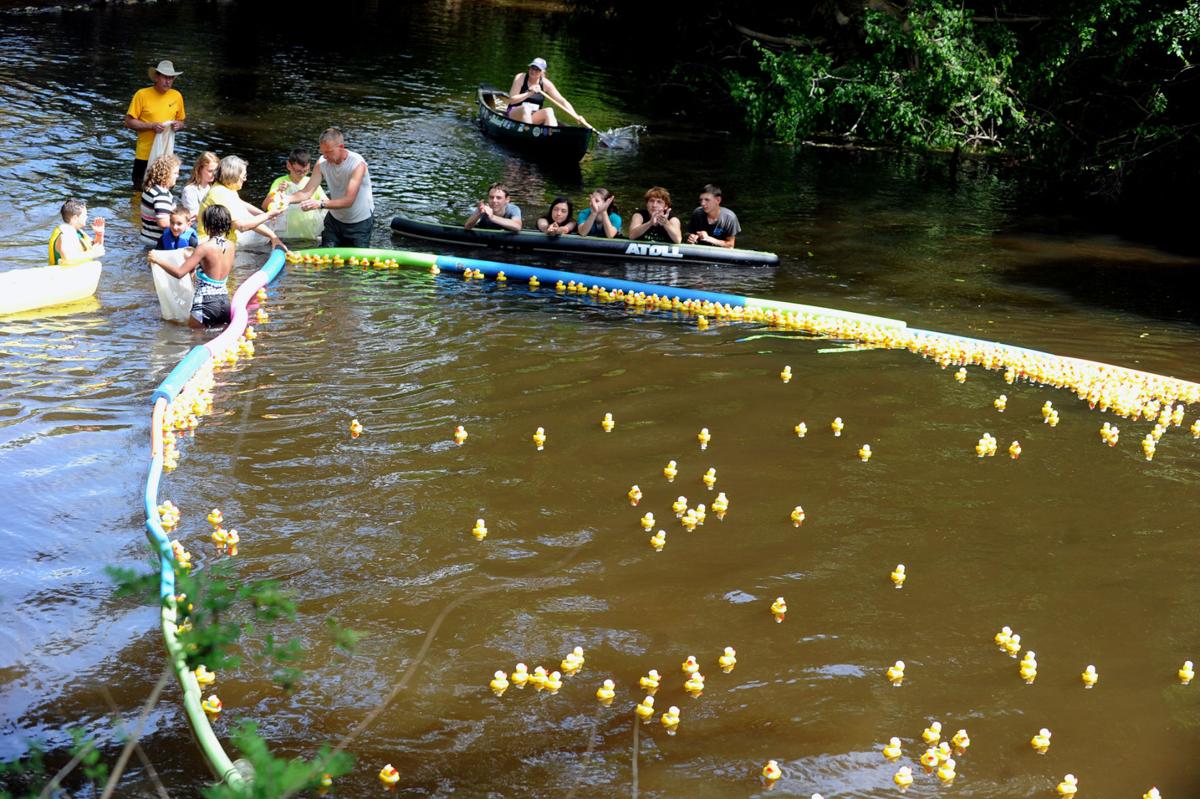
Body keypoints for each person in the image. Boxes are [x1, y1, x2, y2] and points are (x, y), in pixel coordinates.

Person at [148, 205, 235, 329]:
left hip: (205, 304)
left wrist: (157, 260)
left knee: (194, 342)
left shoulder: (204, 248)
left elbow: (179, 273)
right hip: (225, 303)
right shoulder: (231, 246)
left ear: (207, 224)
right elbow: (212, 272)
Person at [289, 128, 375, 248]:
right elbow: (306, 192)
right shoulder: (322, 163)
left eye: (328, 152)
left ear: (341, 146)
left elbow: (348, 201)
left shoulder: (357, 164)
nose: (324, 156)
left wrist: (320, 204)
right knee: (324, 260)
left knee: (355, 265)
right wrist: (285, 199)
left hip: (359, 224)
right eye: (322, 152)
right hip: (334, 222)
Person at [197, 155, 285, 248]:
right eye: (244, 176)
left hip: (221, 241)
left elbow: (244, 210)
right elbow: (242, 226)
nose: (245, 179)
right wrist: (269, 215)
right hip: (209, 244)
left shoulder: (228, 189)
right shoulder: (220, 193)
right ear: (233, 175)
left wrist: (272, 235)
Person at [124, 60, 186, 189]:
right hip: (144, 155)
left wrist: (178, 126)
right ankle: (136, 209)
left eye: (171, 78)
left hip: (165, 156)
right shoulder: (142, 94)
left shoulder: (177, 96)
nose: (168, 81)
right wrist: (151, 126)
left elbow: (181, 121)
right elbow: (128, 122)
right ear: (157, 77)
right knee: (139, 189)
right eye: (165, 77)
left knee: (164, 190)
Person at [261, 148, 326, 240]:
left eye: (306, 171)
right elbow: (264, 206)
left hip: (308, 236)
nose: (302, 174)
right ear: (289, 165)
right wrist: (277, 192)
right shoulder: (279, 182)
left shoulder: (312, 183)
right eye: (298, 171)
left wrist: (316, 203)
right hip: (284, 237)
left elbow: (326, 204)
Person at [506, 57, 588, 128]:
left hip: (533, 117)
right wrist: (529, 93)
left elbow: (562, 101)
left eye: (537, 69)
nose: (533, 71)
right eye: (532, 67)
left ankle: (552, 136)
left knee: (549, 110)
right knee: (526, 109)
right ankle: (529, 135)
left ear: (542, 72)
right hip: (515, 113)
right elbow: (511, 100)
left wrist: (576, 116)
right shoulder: (521, 77)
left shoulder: (546, 84)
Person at [48, 198, 105, 265]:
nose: (87, 217)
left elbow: (96, 247)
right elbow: (67, 259)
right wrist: (93, 253)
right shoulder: (65, 235)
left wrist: (99, 234)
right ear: (75, 218)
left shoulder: (77, 232)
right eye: (85, 215)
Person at [140, 154, 181, 246]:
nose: (177, 176)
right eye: (175, 173)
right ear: (165, 174)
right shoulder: (162, 195)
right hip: (157, 241)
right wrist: (183, 226)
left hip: (146, 236)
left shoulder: (150, 189)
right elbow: (163, 223)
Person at [686, 184, 741, 248]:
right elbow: (688, 233)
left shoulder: (729, 218)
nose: (702, 203)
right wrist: (691, 237)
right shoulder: (697, 213)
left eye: (707, 200)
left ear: (718, 200)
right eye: (701, 200)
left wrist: (708, 239)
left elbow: (730, 245)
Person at [180, 151, 219, 222]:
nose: (214, 174)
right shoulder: (189, 190)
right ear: (199, 169)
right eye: (210, 171)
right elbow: (195, 216)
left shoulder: (213, 188)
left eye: (215, 171)